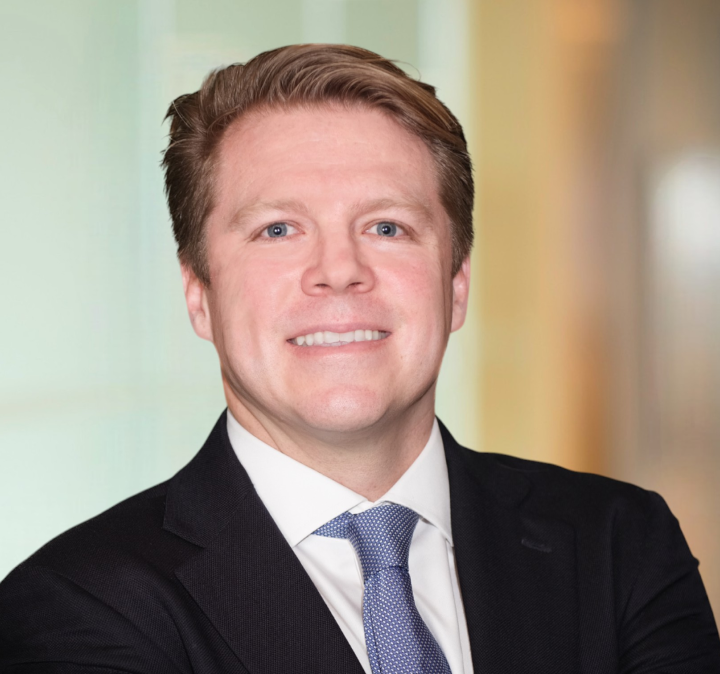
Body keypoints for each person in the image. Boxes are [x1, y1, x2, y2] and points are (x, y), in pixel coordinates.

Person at [0, 44, 718, 674]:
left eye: (387, 227)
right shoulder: (76, 605)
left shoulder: (621, 544)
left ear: (456, 286)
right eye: (278, 229)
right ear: (199, 295)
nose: (339, 270)